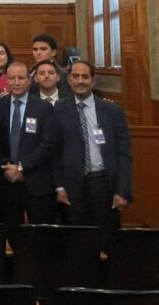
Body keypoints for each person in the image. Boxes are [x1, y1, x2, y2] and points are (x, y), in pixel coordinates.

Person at [54, 61, 133, 248]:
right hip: (72, 185)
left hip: (103, 183)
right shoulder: (58, 110)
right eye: (75, 76)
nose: (80, 81)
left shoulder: (112, 111)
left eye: (85, 76)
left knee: (107, 240)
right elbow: (55, 153)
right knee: (77, 242)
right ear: (68, 79)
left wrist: (122, 191)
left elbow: (124, 154)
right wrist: (59, 187)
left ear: (93, 80)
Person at [0, 62, 57, 246]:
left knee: (42, 238)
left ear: (29, 80)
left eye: (21, 78)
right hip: (7, 180)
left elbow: (49, 143)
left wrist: (22, 167)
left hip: (36, 181)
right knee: (11, 235)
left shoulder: (43, 108)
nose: (16, 82)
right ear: (6, 81)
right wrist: (6, 165)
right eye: (12, 78)